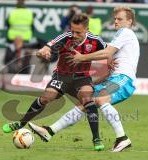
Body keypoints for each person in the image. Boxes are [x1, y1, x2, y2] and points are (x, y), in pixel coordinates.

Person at [28, 6, 140, 152]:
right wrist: (96, 80)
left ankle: (122, 138)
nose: (116, 22)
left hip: (124, 78)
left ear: (129, 21)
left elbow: (107, 52)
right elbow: (111, 58)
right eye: (115, 19)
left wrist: (83, 57)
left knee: (100, 99)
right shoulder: (121, 35)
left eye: (120, 19)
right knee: (85, 103)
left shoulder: (126, 32)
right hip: (115, 77)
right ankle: (49, 131)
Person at [2, 13, 107, 151]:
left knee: (88, 100)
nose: (74, 34)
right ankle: (21, 124)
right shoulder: (65, 37)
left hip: (82, 78)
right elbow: (47, 47)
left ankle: (96, 139)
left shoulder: (95, 41)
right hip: (61, 76)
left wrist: (111, 62)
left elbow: (108, 52)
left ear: (87, 29)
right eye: (72, 30)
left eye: (78, 32)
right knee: (46, 97)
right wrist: (43, 52)